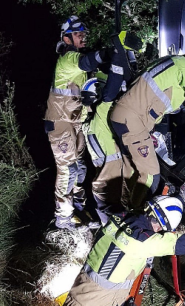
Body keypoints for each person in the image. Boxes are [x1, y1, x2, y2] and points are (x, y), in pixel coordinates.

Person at [63, 179, 185, 306]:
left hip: (81, 288)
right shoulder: (142, 242)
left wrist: (178, 200)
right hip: (96, 301)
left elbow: (157, 211)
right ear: (161, 226)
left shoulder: (121, 218)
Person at [110, 42, 185, 200]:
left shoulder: (175, 61)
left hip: (127, 116)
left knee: (130, 171)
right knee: (151, 177)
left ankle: (119, 206)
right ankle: (134, 215)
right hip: (132, 118)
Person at [44, 15, 111, 230]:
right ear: (66, 38)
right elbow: (88, 61)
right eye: (78, 34)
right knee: (68, 170)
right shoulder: (68, 60)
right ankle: (63, 217)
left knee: (80, 169)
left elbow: (100, 75)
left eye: (84, 34)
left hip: (77, 124)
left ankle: (79, 208)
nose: (83, 37)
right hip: (60, 123)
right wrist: (108, 52)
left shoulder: (82, 67)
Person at [82, 31, 143, 225]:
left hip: (103, 191)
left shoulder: (91, 122)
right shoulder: (101, 113)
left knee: (108, 229)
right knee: (119, 230)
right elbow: (115, 84)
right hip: (111, 191)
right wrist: (118, 50)